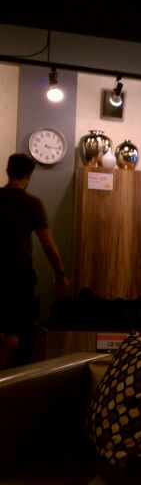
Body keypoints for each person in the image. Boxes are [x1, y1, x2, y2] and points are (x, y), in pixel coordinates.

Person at [0, 153, 69, 369]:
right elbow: (48, 244)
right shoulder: (32, 204)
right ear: (29, 175)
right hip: (18, 276)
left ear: (8, 171)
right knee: (13, 335)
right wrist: (60, 273)